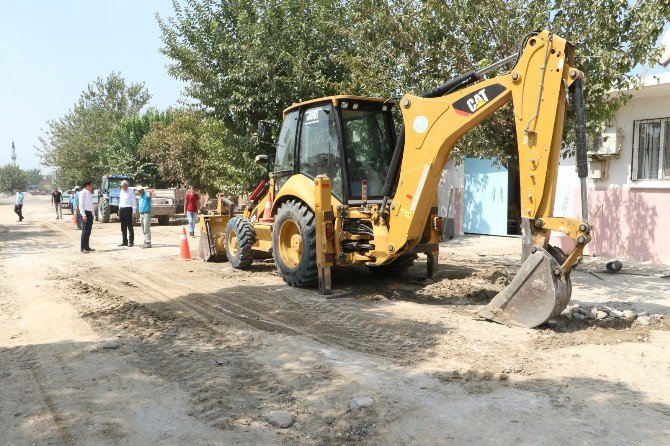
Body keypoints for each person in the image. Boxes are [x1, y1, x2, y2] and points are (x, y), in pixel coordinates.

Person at [118, 180, 137, 247]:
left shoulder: (131, 192)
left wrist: (134, 211)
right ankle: (124, 241)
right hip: (122, 209)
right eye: (123, 186)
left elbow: (133, 201)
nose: (124, 187)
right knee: (123, 226)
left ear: (127, 186)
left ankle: (131, 241)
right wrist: (119, 209)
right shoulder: (121, 191)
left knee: (129, 226)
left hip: (128, 209)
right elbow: (120, 201)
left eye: (125, 186)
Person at [79, 181, 95, 253]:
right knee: (85, 231)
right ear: (87, 186)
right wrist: (83, 215)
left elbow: (90, 205)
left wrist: (92, 213)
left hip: (89, 213)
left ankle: (87, 246)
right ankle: (83, 247)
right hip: (85, 213)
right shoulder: (83, 193)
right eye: (91, 185)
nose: (92, 187)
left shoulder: (89, 193)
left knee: (88, 231)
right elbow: (81, 205)